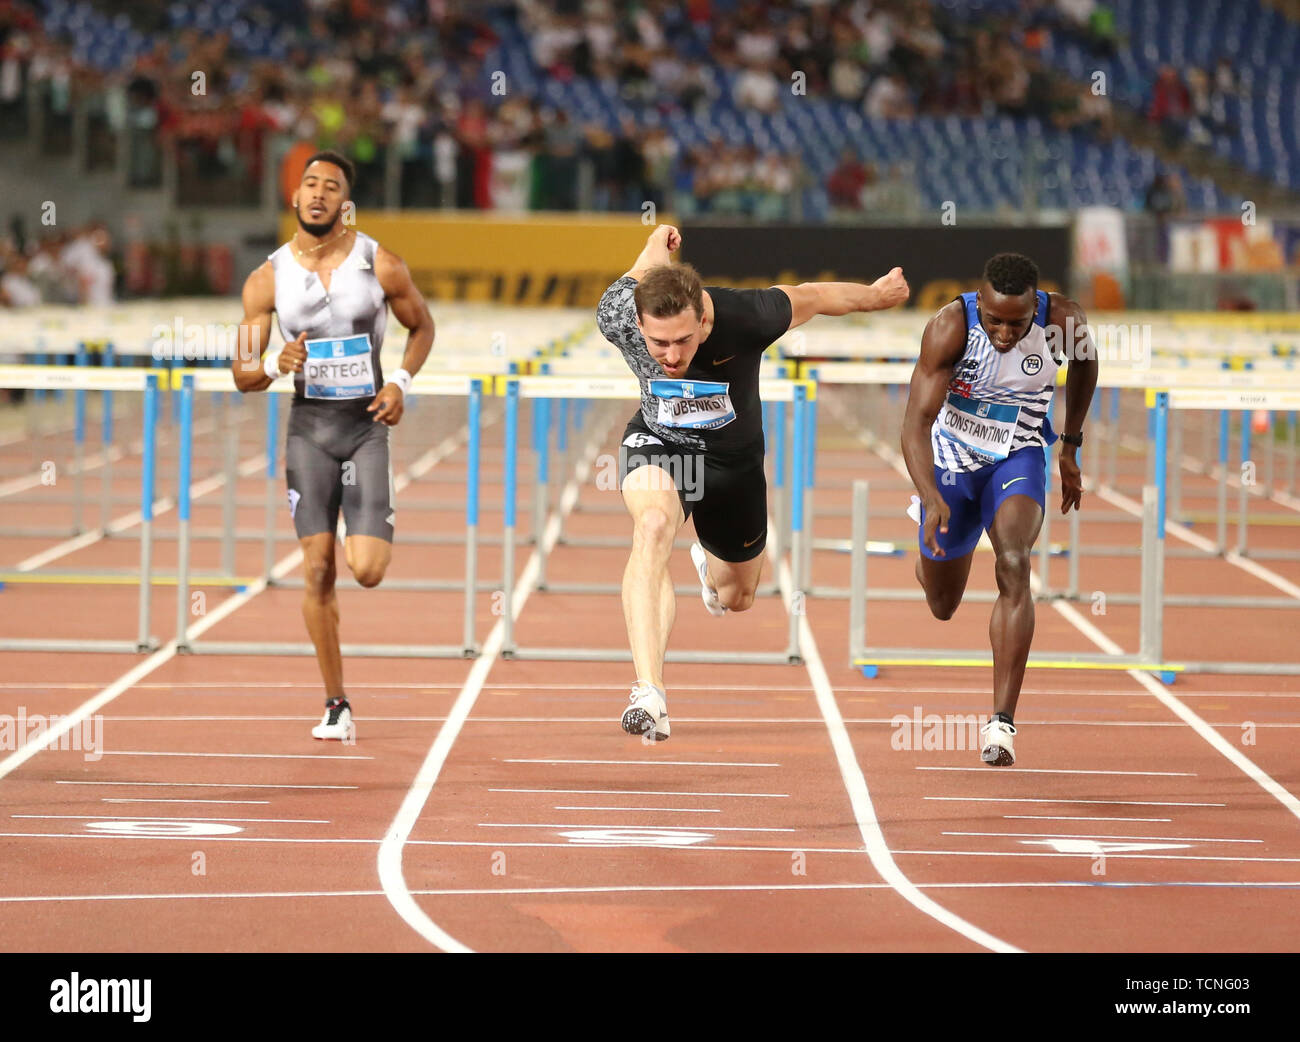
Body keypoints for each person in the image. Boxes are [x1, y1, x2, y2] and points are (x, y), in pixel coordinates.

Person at [596, 224, 909, 741]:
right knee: (652, 527)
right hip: (661, 442)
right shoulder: (617, 315)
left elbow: (814, 296)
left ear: (703, 317)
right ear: (637, 324)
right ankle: (649, 690)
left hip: (733, 464)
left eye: (684, 341)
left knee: (737, 597)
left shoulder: (747, 316)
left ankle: (710, 570)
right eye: (658, 344)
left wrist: (874, 297)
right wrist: (659, 238)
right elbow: (645, 264)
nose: (672, 356)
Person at [231, 150, 434, 741]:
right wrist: (273, 361)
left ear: (345, 204)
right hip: (309, 431)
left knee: (366, 570)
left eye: (331, 187)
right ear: (295, 199)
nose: (318, 194)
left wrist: (400, 381)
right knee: (317, 569)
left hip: (367, 425)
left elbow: (422, 325)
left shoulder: (381, 264)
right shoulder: (265, 279)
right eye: (309, 184)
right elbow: (243, 372)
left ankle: (364, 515)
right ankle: (336, 703)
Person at [901, 252, 1098, 766]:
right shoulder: (949, 326)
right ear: (979, 303)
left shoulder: (1064, 323)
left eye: (1017, 322)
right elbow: (914, 425)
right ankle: (930, 556)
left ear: (1036, 305)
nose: (1006, 334)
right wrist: (930, 494)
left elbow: (1086, 366)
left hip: (1019, 453)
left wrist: (1070, 446)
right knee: (942, 605)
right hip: (951, 459)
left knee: (1014, 561)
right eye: (995, 321)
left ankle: (1002, 722)